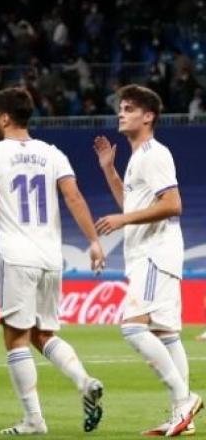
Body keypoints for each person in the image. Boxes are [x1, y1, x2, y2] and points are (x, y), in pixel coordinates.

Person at [0, 87, 107, 436]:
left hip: (17, 256)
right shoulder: (52, 153)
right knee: (42, 333)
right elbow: (74, 197)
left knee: (15, 337)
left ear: (4, 118)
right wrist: (94, 241)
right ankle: (84, 381)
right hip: (51, 256)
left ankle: (34, 420)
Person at [93, 84, 202, 436]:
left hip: (154, 253)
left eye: (128, 108)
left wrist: (122, 221)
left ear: (148, 116)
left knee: (133, 327)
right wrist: (109, 170)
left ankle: (184, 399)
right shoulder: (138, 157)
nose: (120, 113)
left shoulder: (155, 153)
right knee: (166, 334)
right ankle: (182, 418)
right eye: (120, 107)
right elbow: (132, 203)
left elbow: (173, 204)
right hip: (152, 254)